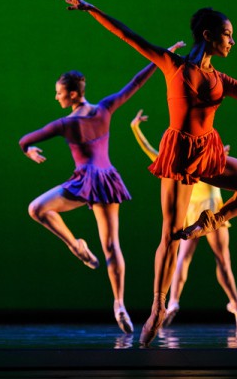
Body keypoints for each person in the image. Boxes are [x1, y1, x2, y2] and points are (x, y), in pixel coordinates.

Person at [60, 0, 237, 346]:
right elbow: (127, 35)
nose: (232, 41)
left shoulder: (221, 80)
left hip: (209, 153)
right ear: (208, 35)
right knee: (171, 236)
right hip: (179, 155)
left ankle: (214, 219)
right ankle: (158, 308)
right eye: (227, 35)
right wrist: (90, 9)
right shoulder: (172, 64)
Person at [18, 41, 184, 334]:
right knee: (111, 245)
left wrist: (28, 151)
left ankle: (75, 246)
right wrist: (162, 59)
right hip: (106, 180)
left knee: (37, 208)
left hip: (85, 181)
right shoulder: (104, 108)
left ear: (71, 94)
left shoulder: (65, 124)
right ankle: (118, 303)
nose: (56, 97)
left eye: (58, 93)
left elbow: (25, 139)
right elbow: (133, 84)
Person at [130, 109, 237, 328]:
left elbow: (221, 159)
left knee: (223, 260)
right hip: (191, 210)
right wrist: (135, 127)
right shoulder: (173, 162)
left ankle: (235, 302)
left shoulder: (206, 154)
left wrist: (222, 153)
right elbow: (149, 150)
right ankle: (173, 302)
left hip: (211, 208)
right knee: (182, 260)